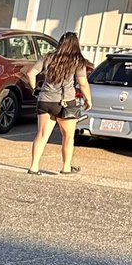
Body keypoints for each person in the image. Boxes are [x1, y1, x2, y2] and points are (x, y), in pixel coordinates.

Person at [24, 32, 92, 175]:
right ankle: (66, 167)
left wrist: (35, 89)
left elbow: (31, 74)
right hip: (65, 102)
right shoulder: (78, 61)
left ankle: (34, 166)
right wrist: (88, 100)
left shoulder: (48, 57)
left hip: (45, 100)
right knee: (68, 136)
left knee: (42, 135)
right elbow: (83, 83)